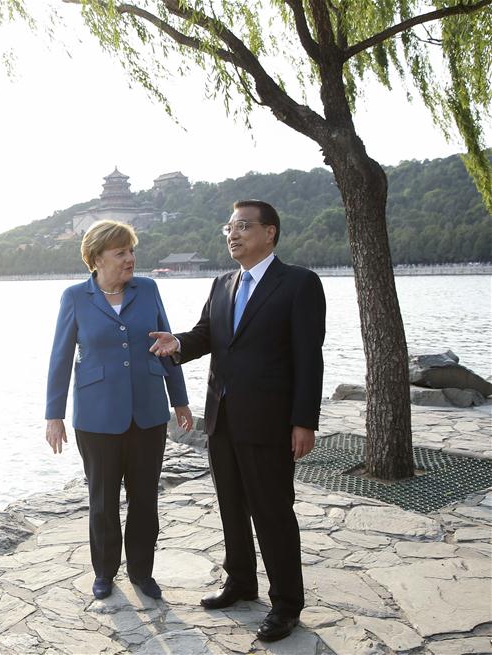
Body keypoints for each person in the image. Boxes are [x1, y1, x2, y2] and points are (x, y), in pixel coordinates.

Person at [149, 200, 326, 642]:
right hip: (222, 419)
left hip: (270, 422)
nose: (233, 234)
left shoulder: (299, 284)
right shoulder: (223, 282)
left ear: (270, 232)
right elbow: (207, 334)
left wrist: (304, 421)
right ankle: (241, 582)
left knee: (273, 514)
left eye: (243, 226)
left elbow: (309, 358)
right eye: (229, 227)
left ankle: (287, 604)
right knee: (230, 507)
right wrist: (178, 344)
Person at [45, 219, 193, 601]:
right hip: (96, 417)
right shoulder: (76, 297)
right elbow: (60, 358)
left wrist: (180, 401)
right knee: (102, 501)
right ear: (96, 259)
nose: (130, 259)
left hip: (148, 411)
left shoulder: (148, 289)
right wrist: (54, 415)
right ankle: (105, 573)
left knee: (145, 499)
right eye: (121, 252)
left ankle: (142, 572)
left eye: (131, 251)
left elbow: (167, 344)